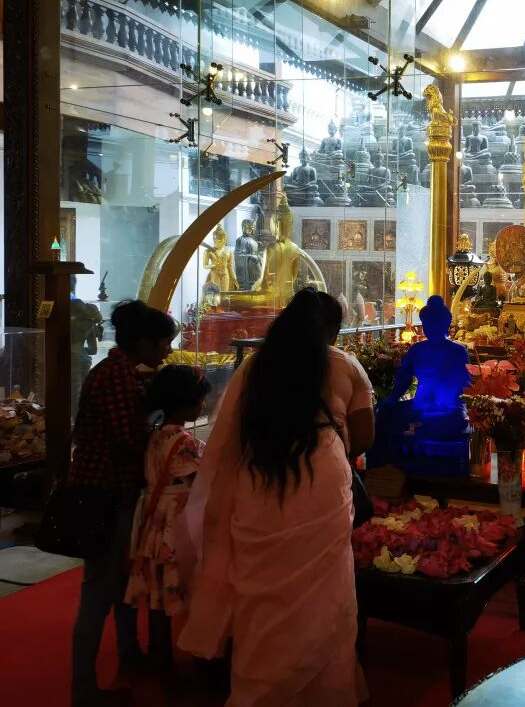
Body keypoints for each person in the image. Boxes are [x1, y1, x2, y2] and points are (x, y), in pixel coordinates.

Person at [179, 289, 374, 706]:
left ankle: (259, 689)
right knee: (327, 588)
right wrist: (333, 444)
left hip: (260, 475)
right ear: (332, 330)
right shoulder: (345, 365)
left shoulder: (256, 366)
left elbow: (231, 435)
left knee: (261, 586)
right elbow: (365, 438)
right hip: (323, 478)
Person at [69, 300, 177, 705]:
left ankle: (128, 656)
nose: (167, 351)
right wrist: (164, 441)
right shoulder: (115, 376)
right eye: (163, 343)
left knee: (116, 585)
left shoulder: (121, 373)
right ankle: (83, 689)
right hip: (103, 495)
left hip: (113, 493)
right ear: (144, 342)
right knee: (98, 592)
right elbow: (126, 440)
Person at [123, 365, 210, 669]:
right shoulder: (184, 442)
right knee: (183, 583)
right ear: (185, 403)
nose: (202, 406)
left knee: (159, 590)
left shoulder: (154, 435)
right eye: (200, 401)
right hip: (176, 522)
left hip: (154, 519)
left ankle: (159, 653)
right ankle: (189, 654)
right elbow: (202, 477)